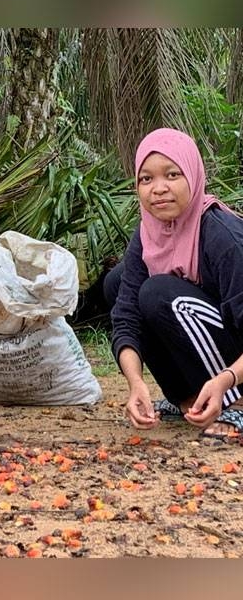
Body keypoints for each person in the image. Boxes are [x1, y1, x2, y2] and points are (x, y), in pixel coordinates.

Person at [106, 127, 243, 438]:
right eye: (146, 179)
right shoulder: (147, 232)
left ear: (192, 177)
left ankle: (238, 404)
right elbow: (126, 316)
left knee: (159, 293)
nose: (159, 188)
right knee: (118, 284)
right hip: (215, 348)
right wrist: (136, 383)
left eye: (172, 175)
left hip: (238, 363)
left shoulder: (224, 237)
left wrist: (226, 381)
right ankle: (188, 399)